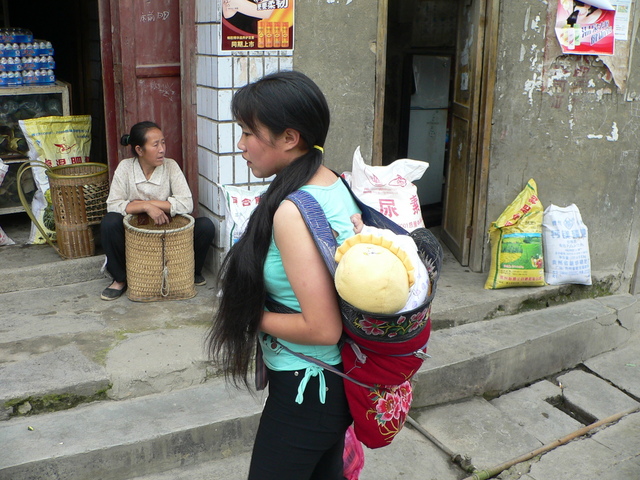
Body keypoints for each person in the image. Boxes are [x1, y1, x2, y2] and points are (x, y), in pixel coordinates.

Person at [206, 71, 359, 480]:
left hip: (309, 387)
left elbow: (323, 328)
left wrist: (248, 317)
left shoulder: (293, 210)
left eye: (248, 132)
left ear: (289, 138)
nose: (241, 145)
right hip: (330, 381)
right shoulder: (332, 183)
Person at [100, 121, 215, 301]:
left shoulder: (170, 166)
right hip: (136, 236)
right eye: (155, 145)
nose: (162, 149)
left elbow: (186, 204)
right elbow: (113, 205)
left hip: (166, 231)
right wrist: (146, 207)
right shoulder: (125, 168)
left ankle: (189, 273)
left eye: (163, 143)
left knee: (205, 226)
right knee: (109, 222)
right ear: (139, 150)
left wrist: (153, 203)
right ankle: (120, 279)